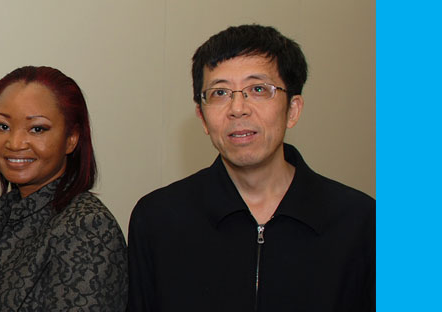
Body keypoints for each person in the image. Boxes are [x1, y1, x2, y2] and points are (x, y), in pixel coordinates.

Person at [127, 24, 375, 311]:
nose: (238, 108)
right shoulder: (158, 219)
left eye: (258, 89)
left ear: (292, 110)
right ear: (203, 118)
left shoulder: (361, 223)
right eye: (219, 93)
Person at [0, 66, 127, 311]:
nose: (14, 143)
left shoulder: (86, 226)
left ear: (71, 138)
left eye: (37, 129)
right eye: (2, 126)